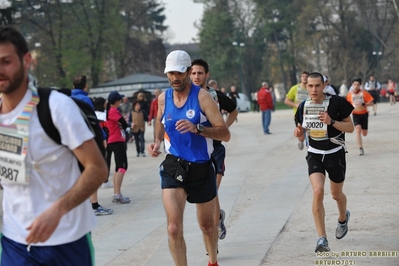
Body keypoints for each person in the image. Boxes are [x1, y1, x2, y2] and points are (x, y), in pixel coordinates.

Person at [0, 26, 108, 265]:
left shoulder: (56, 107)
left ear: (26, 60)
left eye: (6, 61)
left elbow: (97, 169)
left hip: (66, 240)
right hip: (14, 241)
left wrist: (57, 210)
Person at [147, 50, 230, 266]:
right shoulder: (163, 98)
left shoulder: (202, 97)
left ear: (187, 71)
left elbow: (224, 133)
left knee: (207, 226)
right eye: (171, 73)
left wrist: (199, 128)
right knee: (173, 227)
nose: (175, 78)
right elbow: (159, 120)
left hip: (201, 167)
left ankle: (212, 261)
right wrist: (157, 141)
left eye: (179, 73)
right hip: (174, 166)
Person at [293, 72, 354, 253]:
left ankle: (343, 218)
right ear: (306, 86)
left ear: (324, 85)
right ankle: (322, 239)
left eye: (317, 85)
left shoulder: (337, 102)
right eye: (310, 86)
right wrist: (299, 134)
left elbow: (350, 127)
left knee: (336, 195)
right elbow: (301, 129)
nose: (313, 89)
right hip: (314, 154)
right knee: (318, 192)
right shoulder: (303, 106)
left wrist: (331, 121)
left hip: (335, 153)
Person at [191, 58, 238, 242]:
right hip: (196, 150)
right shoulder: (186, 96)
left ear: (207, 75)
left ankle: (215, 226)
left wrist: (224, 127)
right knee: (206, 194)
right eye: (193, 73)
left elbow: (233, 110)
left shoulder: (216, 95)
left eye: (200, 73)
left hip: (216, 149)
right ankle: (216, 220)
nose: (196, 76)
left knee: (212, 190)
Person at [72, 75, 113, 216]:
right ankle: (94, 205)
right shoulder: (85, 99)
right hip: (86, 139)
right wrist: (102, 136)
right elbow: (92, 120)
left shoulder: (66, 99)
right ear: (86, 86)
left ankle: (81, 204)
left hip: (71, 140)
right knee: (92, 170)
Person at [106, 91, 131, 204]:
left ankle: (117, 193)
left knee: (118, 168)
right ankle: (117, 194)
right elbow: (123, 122)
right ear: (116, 101)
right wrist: (128, 127)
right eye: (119, 99)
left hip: (113, 140)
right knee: (122, 167)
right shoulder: (113, 111)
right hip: (116, 140)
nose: (121, 101)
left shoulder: (110, 111)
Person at [346, 78, 374, 156]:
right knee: (357, 130)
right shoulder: (349, 94)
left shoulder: (364, 93)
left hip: (364, 114)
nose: (356, 86)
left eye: (358, 84)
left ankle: (363, 130)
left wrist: (365, 104)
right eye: (354, 84)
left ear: (360, 85)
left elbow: (371, 103)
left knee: (364, 133)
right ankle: (360, 148)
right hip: (355, 114)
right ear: (352, 85)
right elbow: (347, 105)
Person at [284, 71, 310, 149]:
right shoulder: (295, 88)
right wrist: (295, 105)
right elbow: (286, 100)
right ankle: (301, 140)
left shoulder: (311, 88)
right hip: (298, 115)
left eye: (306, 76)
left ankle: (310, 147)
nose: (305, 77)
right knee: (301, 133)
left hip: (310, 114)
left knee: (310, 133)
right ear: (300, 78)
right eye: (303, 76)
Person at [94, 97, 114, 189]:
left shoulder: (93, 114)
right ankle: (105, 180)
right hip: (106, 139)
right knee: (107, 159)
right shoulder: (104, 115)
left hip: (96, 141)